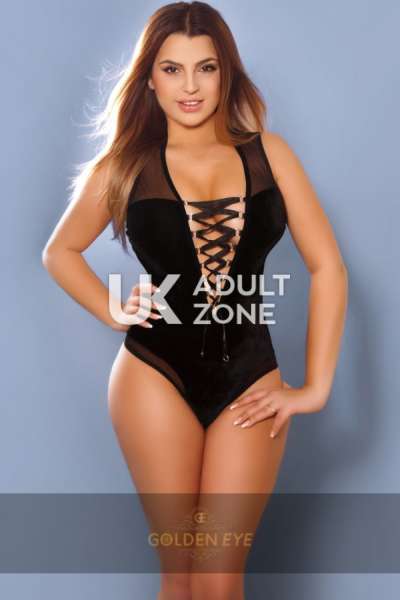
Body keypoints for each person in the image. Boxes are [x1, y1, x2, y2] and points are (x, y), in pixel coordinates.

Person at [42, 2, 348, 598]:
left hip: (250, 379)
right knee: (181, 575)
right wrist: (111, 309)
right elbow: (60, 252)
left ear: (225, 73)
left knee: (217, 576)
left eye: (205, 68)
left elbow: (328, 268)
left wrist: (316, 387)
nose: (190, 86)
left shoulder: (269, 154)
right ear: (149, 80)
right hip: (153, 374)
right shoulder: (126, 166)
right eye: (172, 69)